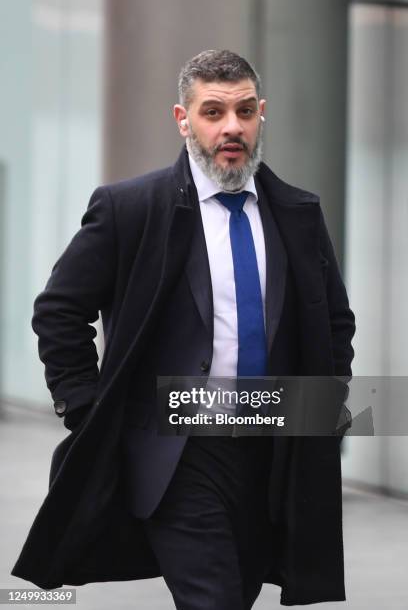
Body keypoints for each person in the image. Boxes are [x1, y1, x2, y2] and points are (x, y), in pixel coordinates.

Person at [11, 50, 355, 609]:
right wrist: (86, 409)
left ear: (261, 113)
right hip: (180, 452)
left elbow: (334, 323)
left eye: (244, 111)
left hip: (272, 448)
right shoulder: (131, 208)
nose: (232, 127)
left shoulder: (297, 212)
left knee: (236, 593)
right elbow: (58, 311)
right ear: (183, 119)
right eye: (213, 112)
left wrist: (326, 412)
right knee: (212, 599)